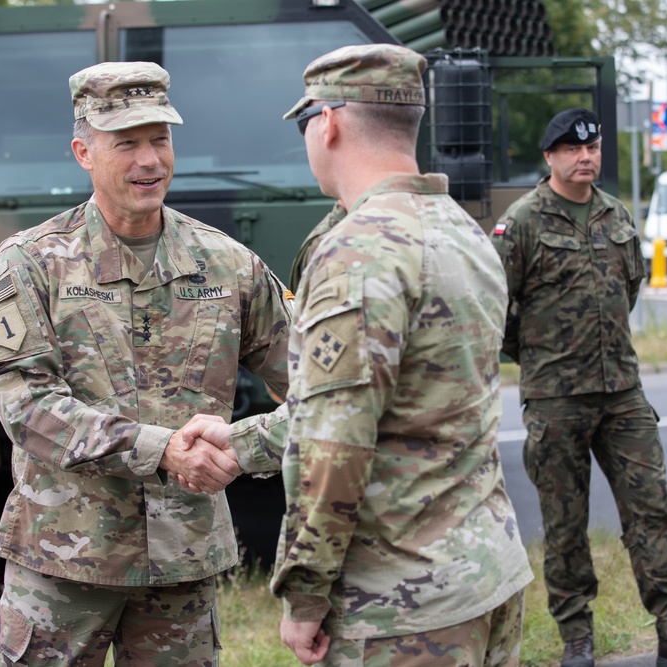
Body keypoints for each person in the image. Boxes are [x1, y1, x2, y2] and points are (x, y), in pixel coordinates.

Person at [0, 61, 292, 666]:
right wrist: (163, 449)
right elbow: (28, 408)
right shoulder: (32, 264)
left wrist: (248, 445)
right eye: (126, 144)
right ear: (83, 152)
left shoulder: (228, 265)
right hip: (65, 561)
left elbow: (318, 392)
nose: (150, 161)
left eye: (160, 139)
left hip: (182, 562)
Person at [261, 43, 534, 666]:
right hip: (484, 574)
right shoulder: (462, 232)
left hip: (400, 611)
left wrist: (304, 596)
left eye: (308, 122)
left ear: (327, 122)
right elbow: (414, 401)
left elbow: (336, 445)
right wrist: (238, 441)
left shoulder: (357, 250)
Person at [490, 108, 667, 667]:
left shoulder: (615, 213)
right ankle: (578, 638)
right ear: (550, 157)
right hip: (556, 397)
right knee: (565, 523)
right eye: (574, 150)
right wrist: (539, 357)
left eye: (594, 148)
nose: (587, 157)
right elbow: (496, 308)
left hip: (623, 391)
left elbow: (629, 288)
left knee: (653, 513)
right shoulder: (522, 221)